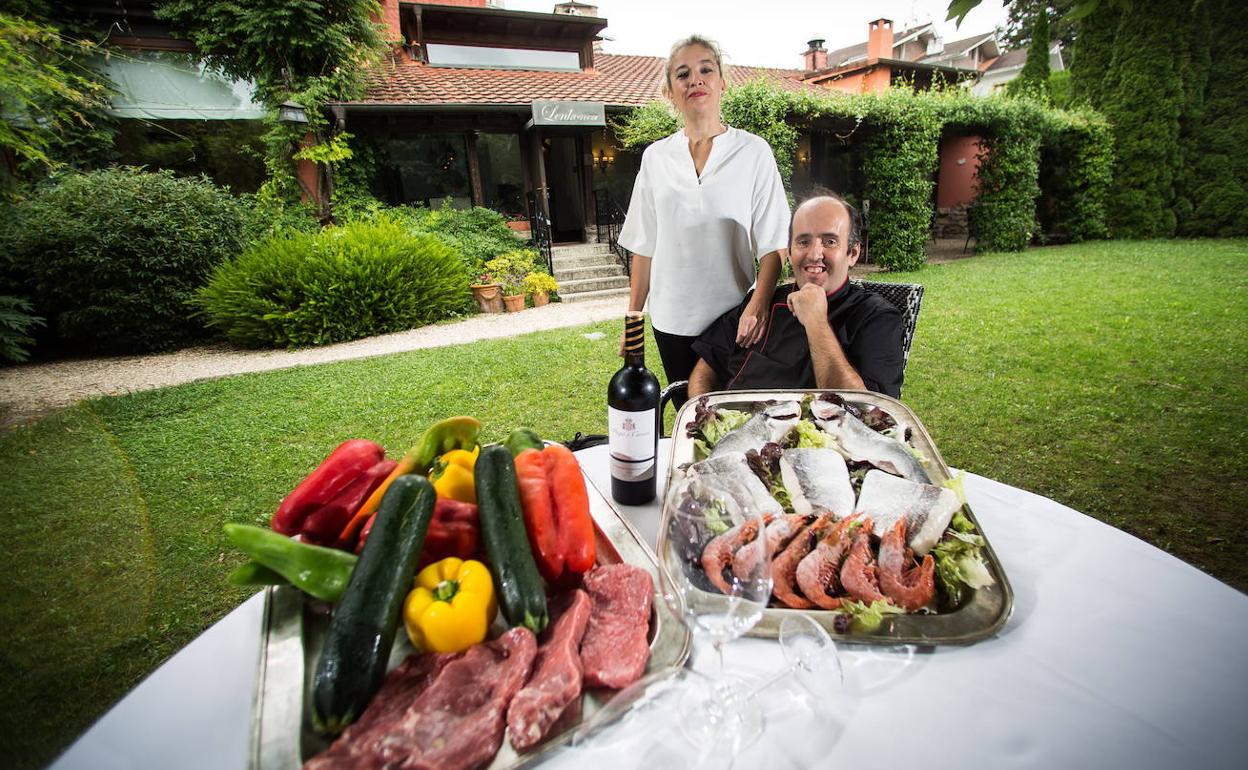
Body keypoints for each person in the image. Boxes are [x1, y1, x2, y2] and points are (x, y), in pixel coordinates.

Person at [617, 35, 789, 393]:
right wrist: (633, 321)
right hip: (671, 321)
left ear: (722, 82)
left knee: (735, 419)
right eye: (683, 74)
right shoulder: (655, 158)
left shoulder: (754, 152)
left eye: (705, 69)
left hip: (733, 320)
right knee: (691, 419)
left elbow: (774, 246)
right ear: (670, 91)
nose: (695, 79)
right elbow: (643, 246)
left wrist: (756, 308)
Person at [688, 191, 905, 398]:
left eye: (830, 241)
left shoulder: (877, 318)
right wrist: (703, 414)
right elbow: (708, 362)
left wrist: (815, 320)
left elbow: (870, 412)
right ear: (790, 252)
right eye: (803, 242)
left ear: (853, 253)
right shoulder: (763, 303)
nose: (814, 254)